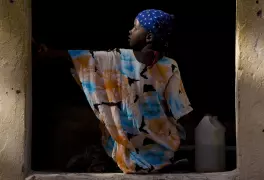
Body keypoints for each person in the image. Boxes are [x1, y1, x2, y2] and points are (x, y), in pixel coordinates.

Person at [35, 9, 194, 174]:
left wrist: (48, 54)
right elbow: (181, 110)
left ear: (149, 37)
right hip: (162, 152)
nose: (130, 31)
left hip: (143, 149)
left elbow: (86, 59)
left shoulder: (165, 66)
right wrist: (48, 54)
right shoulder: (123, 59)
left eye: (135, 27)